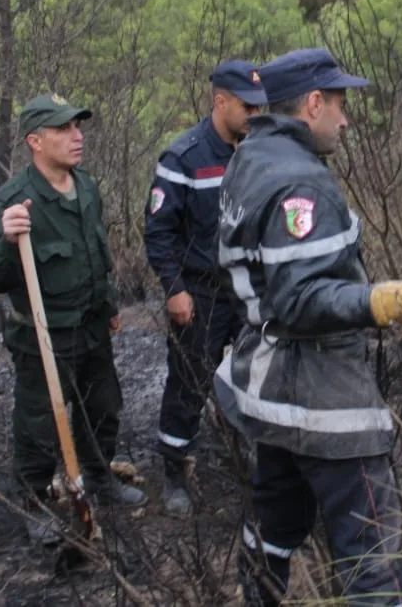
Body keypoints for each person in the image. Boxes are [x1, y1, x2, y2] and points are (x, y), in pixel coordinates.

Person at [213, 47, 402, 607]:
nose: (347, 120)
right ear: (314, 104)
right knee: (374, 558)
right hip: (323, 397)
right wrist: (389, 301)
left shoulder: (251, 156)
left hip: (270, 395)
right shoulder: (302, 184)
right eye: (341, 104)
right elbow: (299, 299)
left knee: (273, 529)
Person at [0, 93, 143, 547]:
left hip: (91, 328)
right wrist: (7, 242)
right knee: (39, 425)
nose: (77, 136)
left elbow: (96, 254)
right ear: (34, 140)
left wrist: (108, 308)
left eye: (77, 127)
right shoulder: (14, 200)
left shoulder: (85, 187)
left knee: (103, 409)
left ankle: (99, 479)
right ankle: (36, 502)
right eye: (63, 129)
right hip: (43, 337)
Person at [145, 60, 267, 517]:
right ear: (220, 101)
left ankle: (247, 459)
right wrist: (174, 290)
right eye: (247, 106)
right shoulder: (183, 158)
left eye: (260, 106)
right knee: (189, 383)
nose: (256, 114)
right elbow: (159, 234)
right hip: (200, 293)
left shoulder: (256, 152)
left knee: (256, 374)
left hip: (249, 293)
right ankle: (174, 469)